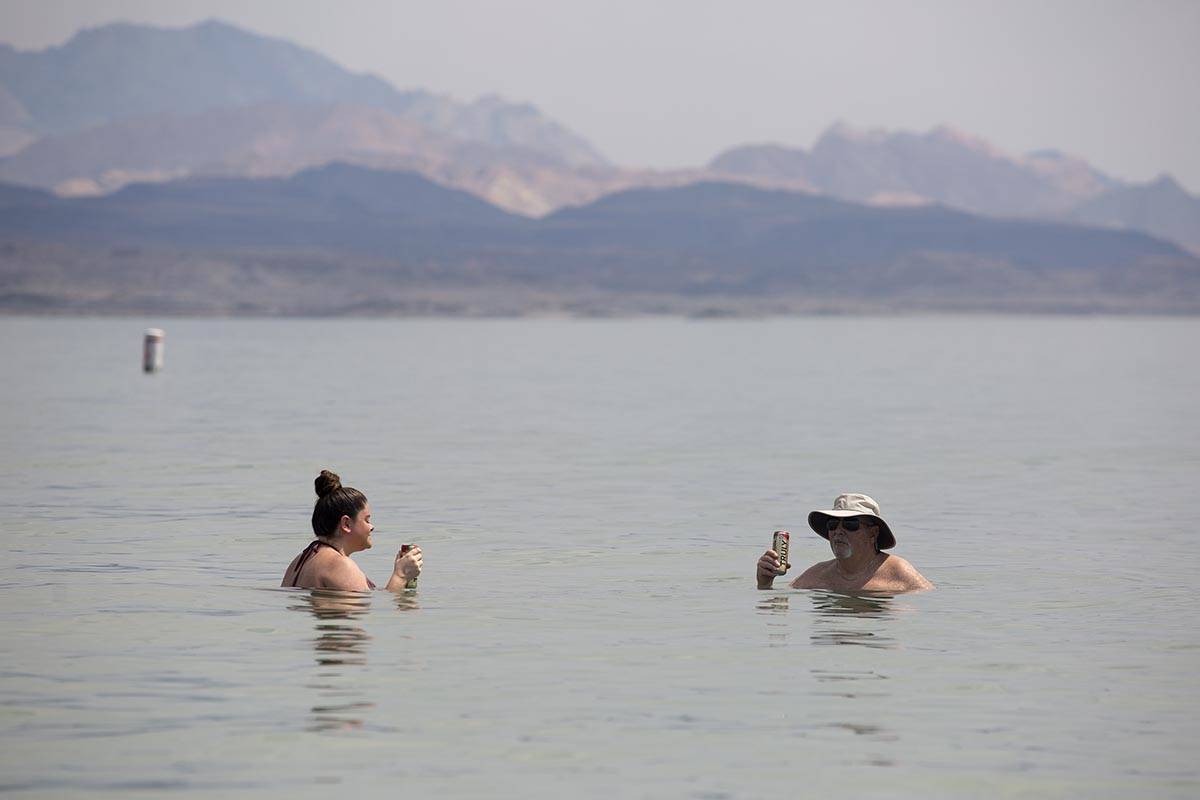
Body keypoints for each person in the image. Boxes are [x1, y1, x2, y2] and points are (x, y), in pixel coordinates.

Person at [756, 493, 932, 593]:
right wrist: (765, 583)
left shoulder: (898, 570)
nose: (839, 531)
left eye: (850, 524)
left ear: (873, 533)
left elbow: (930, 608)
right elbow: (778, 610)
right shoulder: (819, 574)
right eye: (833, 525)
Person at [282, 469, 422, 592]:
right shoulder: (340, 565)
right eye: (367, 520)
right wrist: (401, 575)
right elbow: (380, 616)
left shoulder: (299, 560)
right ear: (346, 523)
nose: (371, 527)